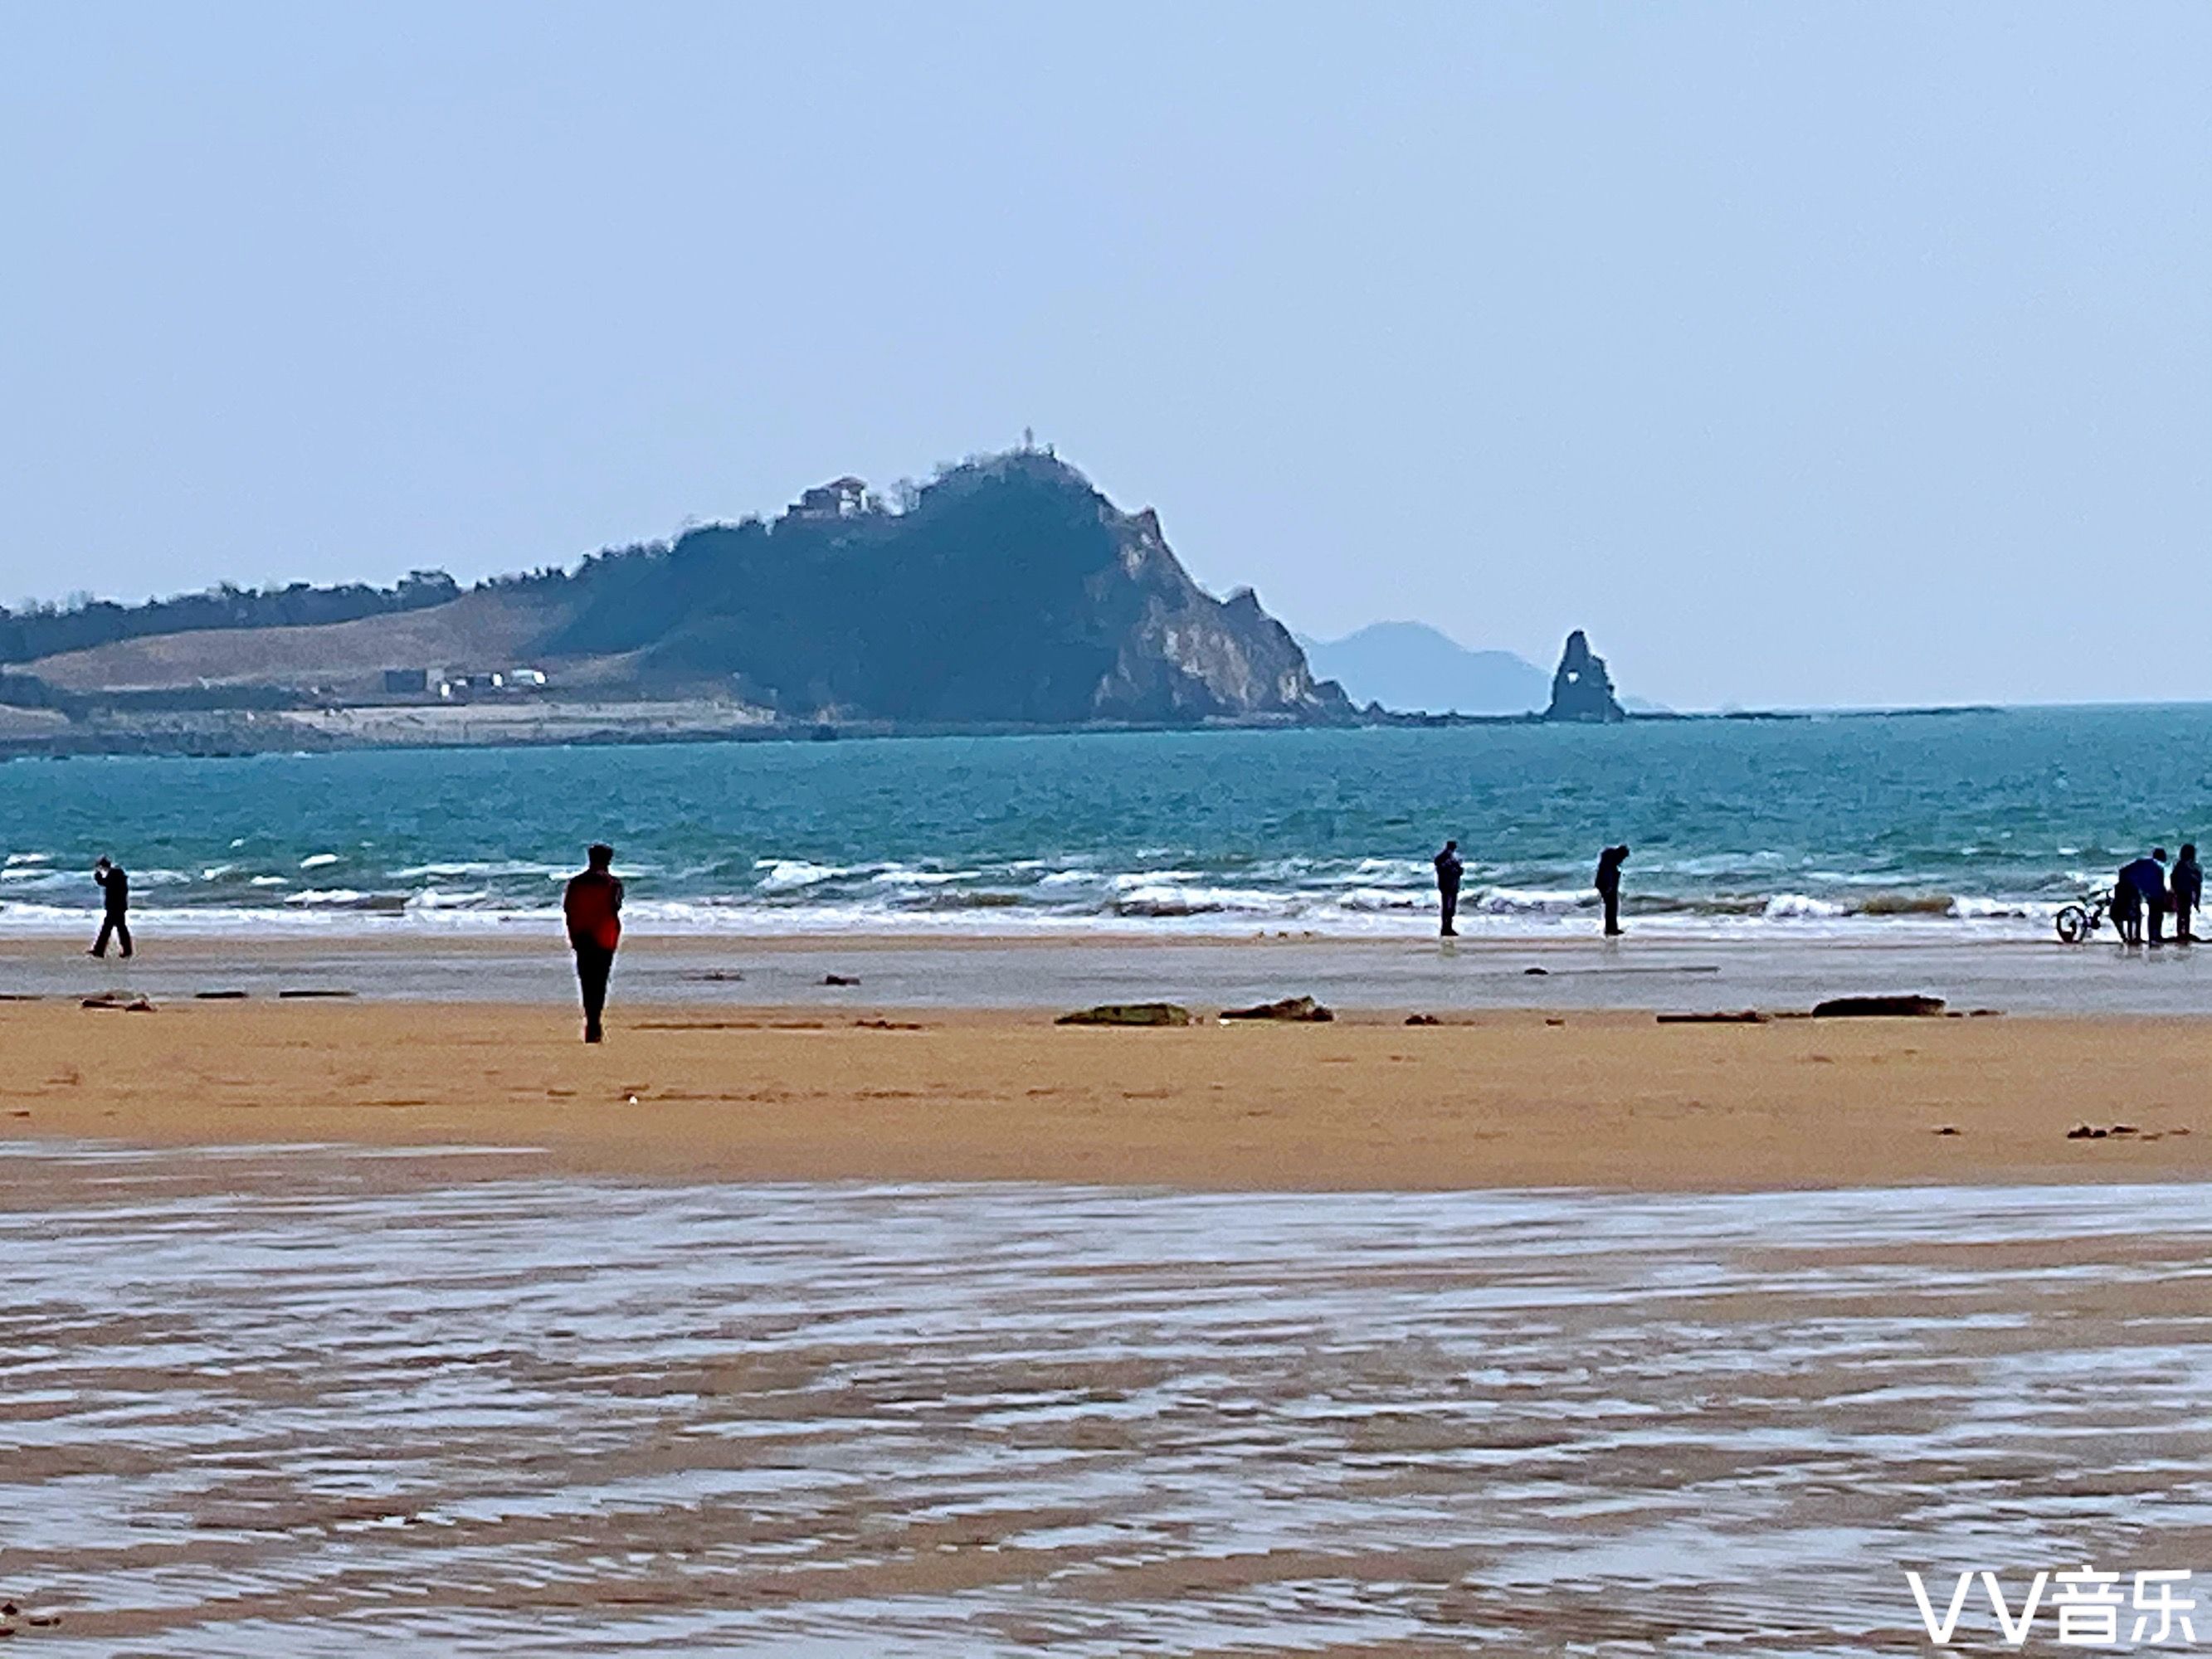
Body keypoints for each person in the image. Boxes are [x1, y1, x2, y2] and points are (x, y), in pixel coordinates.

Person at [563, 844, 624, 1043]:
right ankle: (595, 1022)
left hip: (582, 935)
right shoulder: (613, 884)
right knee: (600, 982)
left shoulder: (576, 883)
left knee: (586, 982)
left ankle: (591, 1020)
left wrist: (573, 934)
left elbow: (569, 909)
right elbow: (615, 908)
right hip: (604, 936)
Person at [2124, 849, 2171, 946]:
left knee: (2152, 915)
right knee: (2157, 915)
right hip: (2155, 894)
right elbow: (2159, 884)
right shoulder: (2157, 868)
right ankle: (2155, 935)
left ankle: (2151, 936)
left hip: (2146, 892)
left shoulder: (2145, 864)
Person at [89, 857, 133, 960]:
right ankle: (126, 950)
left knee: (109, 929)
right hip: (119, 906)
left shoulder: (114, 874)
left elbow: (104, 883)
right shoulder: (118, 874)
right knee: (119, 929)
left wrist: (97, 875)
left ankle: (99, 951)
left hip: (115, 906)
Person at [1595, 844, 1630, 937]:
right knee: (1612, 906)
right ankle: (1611, 928)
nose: (1622, 860)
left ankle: (1611, 927)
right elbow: (1608, 874)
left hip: (1604, 884)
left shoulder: (1610, 859)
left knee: (1611, 906)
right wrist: (1609, 886)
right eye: (1623, 857)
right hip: (1606, 885)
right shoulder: (1611, 860)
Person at [2172, 844, 2202, 944]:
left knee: (2181, 914)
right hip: (2187, 892)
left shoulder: (2179, 865)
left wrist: (2174, 891)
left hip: (2181, 892)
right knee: (2185, 914)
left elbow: (2173, 879)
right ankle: (2185, 933)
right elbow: (2198, 885)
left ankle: (2181, 933)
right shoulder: (2195, 867)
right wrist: (2197, 900)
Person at [1433, 839, 1464, 937]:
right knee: (1447, 908)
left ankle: (1448, 927)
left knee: (1450, 908)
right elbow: (1438, 863)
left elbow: (1459, 871)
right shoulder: (1443, 859)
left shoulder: (1452, 859)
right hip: (1447, 886)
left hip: (1452, 886)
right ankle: (1446, 928)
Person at [2112, 865, 2143, 946]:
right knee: (2136, 913)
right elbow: (2135, 900)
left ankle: (2125, 937)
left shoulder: (2118, 886)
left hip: (2117, 911)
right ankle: (2135, 936)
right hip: (2125, 910)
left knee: (2131, 912)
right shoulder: (2132, 886)